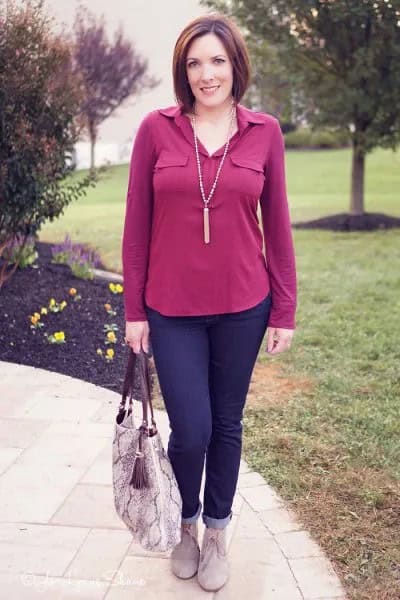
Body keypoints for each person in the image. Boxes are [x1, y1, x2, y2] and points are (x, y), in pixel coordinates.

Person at [122, 13, 297, 593]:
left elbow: (278, 224)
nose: (206, 73)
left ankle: (216, 533)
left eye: (216, 61)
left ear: (235, 66)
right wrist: (134, 310)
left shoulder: (264, 132)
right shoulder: (157, 129)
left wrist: (284, 309)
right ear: (183, 71)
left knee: (226, 424)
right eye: (194, 63)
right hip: (171, 308)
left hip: (244, 304)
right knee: (190, 427)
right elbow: (136, 226)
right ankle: (185, 524)